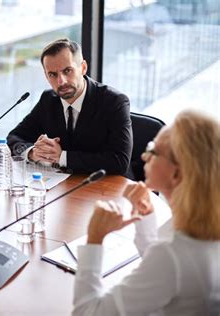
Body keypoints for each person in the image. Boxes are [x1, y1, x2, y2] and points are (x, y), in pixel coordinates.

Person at [73, 109, 220, 315]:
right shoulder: (200, 228)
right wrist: (146, 216)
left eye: (153, 150)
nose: (143, 156)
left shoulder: (173, 254)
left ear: (176, 174)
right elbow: (165, 270)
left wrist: (94, 239)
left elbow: (87, 312)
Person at [7, 38, 132, 176]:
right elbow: (14, 137)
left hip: (104, 188)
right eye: (52, 74)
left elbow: (119, 162)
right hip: (63, 185)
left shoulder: (114, 102)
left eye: (67, 71)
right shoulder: (48, 99)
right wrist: (33, 152)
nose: (61, 81)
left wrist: (61, 157)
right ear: (46, 76)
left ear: (83, 68)